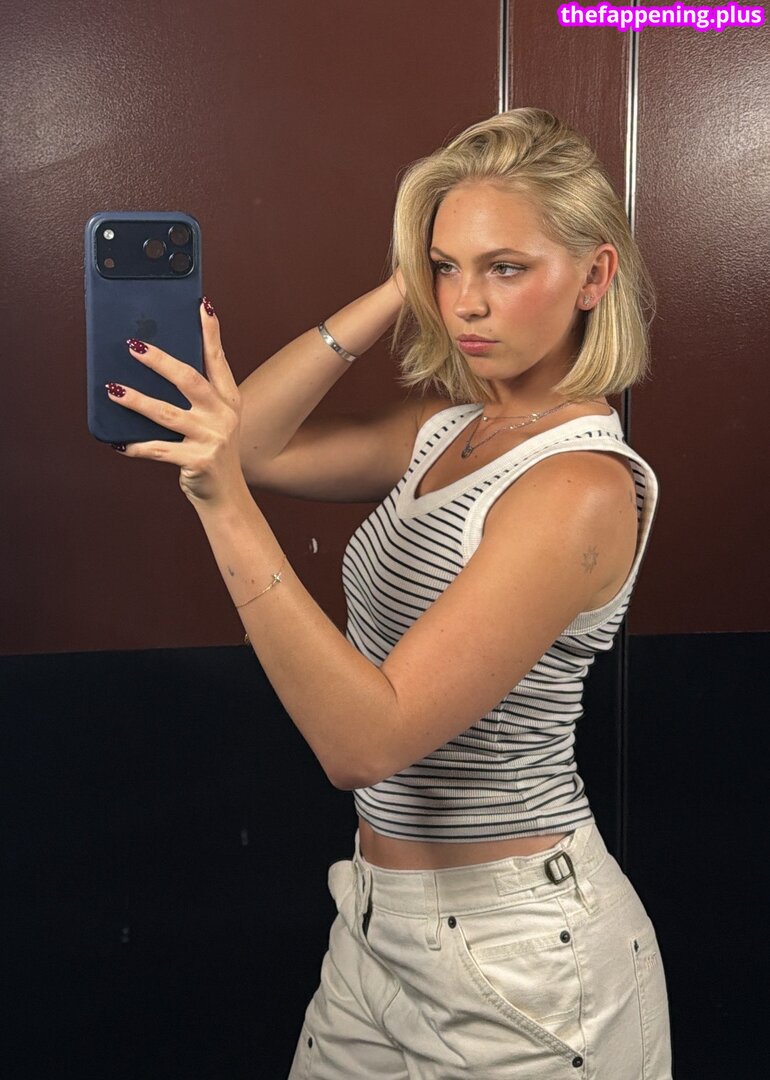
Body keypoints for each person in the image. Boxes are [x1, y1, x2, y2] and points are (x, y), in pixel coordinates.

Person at [107, 108, 672, 1078]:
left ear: (593, 276)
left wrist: (219, 503)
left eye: (505, 268)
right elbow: (251, 442)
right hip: (374, 921)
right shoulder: (446, 429)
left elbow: (366, 740)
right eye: (446, 268)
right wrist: (394, 289)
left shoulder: (579, 485)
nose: (466, 303)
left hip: (523, 958)